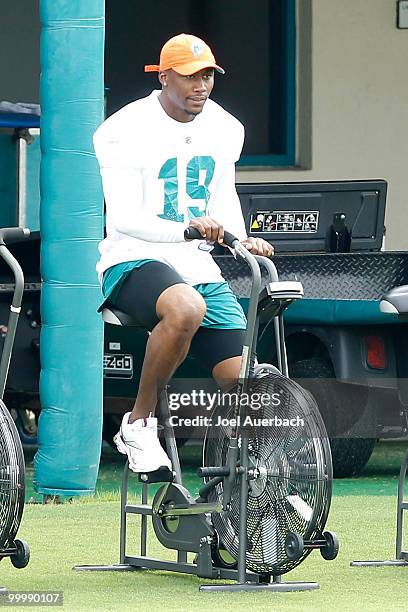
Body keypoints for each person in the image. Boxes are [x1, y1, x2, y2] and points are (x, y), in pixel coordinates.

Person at [93, 33, 273, 473]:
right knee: (186, 307)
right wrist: (186, 230)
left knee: (246, 381)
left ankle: (253, 482)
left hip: (194, 262)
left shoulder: (226, 127)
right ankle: (138, 424)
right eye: (191, 76)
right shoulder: (122, 129)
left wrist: (239, 235)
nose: (201, 86)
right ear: (164, 76)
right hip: (134, 257)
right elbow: (124, 218)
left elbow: (222, 192)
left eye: (208, 75)